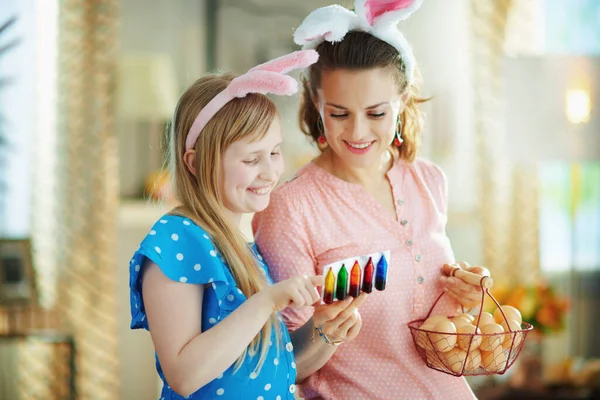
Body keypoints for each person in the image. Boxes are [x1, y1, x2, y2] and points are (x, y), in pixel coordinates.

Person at [252, 1, 489, 399]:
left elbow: (430, 326)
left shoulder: (427, 181)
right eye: (340, 113)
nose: (358, 132)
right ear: (316, 102)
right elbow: (281, 365)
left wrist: (466, 299)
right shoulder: (291, 207)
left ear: (403, 101)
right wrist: (323, 332)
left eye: (376, 113)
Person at [128, 50, 357, 399]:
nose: (270, 172)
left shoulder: (241, 247)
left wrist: (324, 332)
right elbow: (184, 375)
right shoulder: (177, 240)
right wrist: (266, 302)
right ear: (195, 161)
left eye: (275, 152)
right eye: (251, 159)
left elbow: (269, 368)